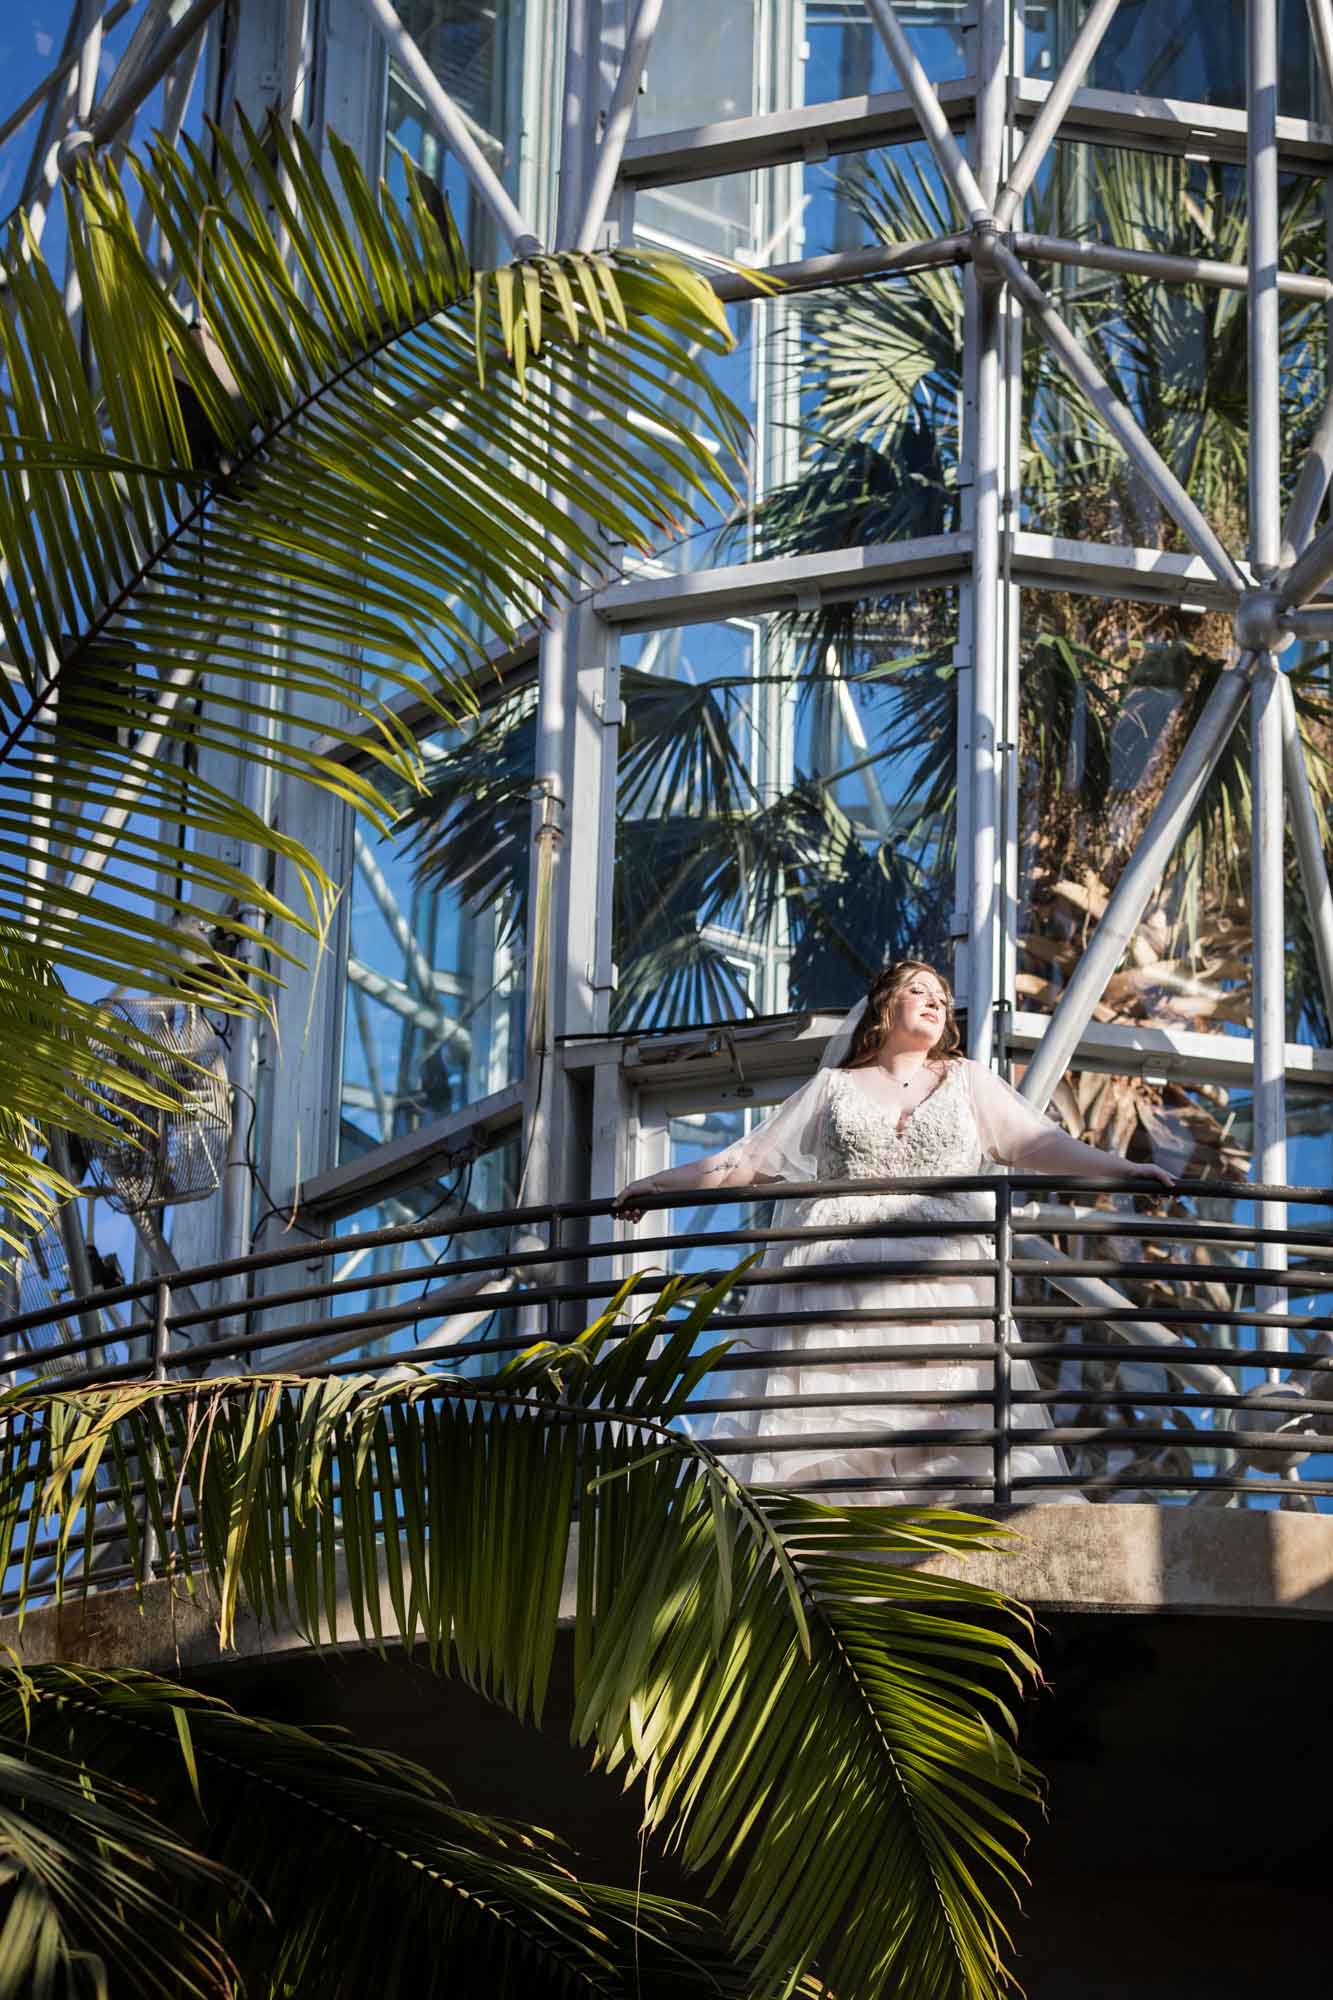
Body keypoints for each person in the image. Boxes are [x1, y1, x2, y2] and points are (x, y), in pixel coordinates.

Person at [614, 960, 1174, 1505]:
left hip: (939, 1273)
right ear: (885, 1006)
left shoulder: (966, 1081)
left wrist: (1122, 1169)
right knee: (837, 1413)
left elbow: (1037, 1143)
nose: (935, 1001)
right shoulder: (832, 1087)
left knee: (941, 1407)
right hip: (838, 1276)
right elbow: (744, 1163)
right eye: (919, 990)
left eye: (941, 997)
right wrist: (659, 1185)